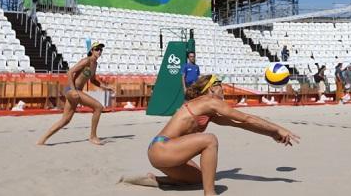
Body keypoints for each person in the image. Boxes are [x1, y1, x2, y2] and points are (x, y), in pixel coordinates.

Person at [119, 75, 299, 195]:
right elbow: (246, 116)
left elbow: (243, 124)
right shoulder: (210, 102)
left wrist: (271, 133)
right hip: (163, 149)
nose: (224, 89)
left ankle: (156, 180)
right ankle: (209, 194)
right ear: (211, 89)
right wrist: (278, 128)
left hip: (165, 152)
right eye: (220, 85)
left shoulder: (208, 110)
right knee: (210, 140)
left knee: (200, 178)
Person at [37, 42, 113, 145]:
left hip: (76, 91)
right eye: (97, 49)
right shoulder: (86, 60)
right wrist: (73, 90)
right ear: (92, 50)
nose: (99, 51)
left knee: (66, 120)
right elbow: (69, 72)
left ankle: (41, 140)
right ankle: (93, 136)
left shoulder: (94, 64)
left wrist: (106, 87)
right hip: (72, 90)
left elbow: (93, 81)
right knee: (98, 107)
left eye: (101, 49)